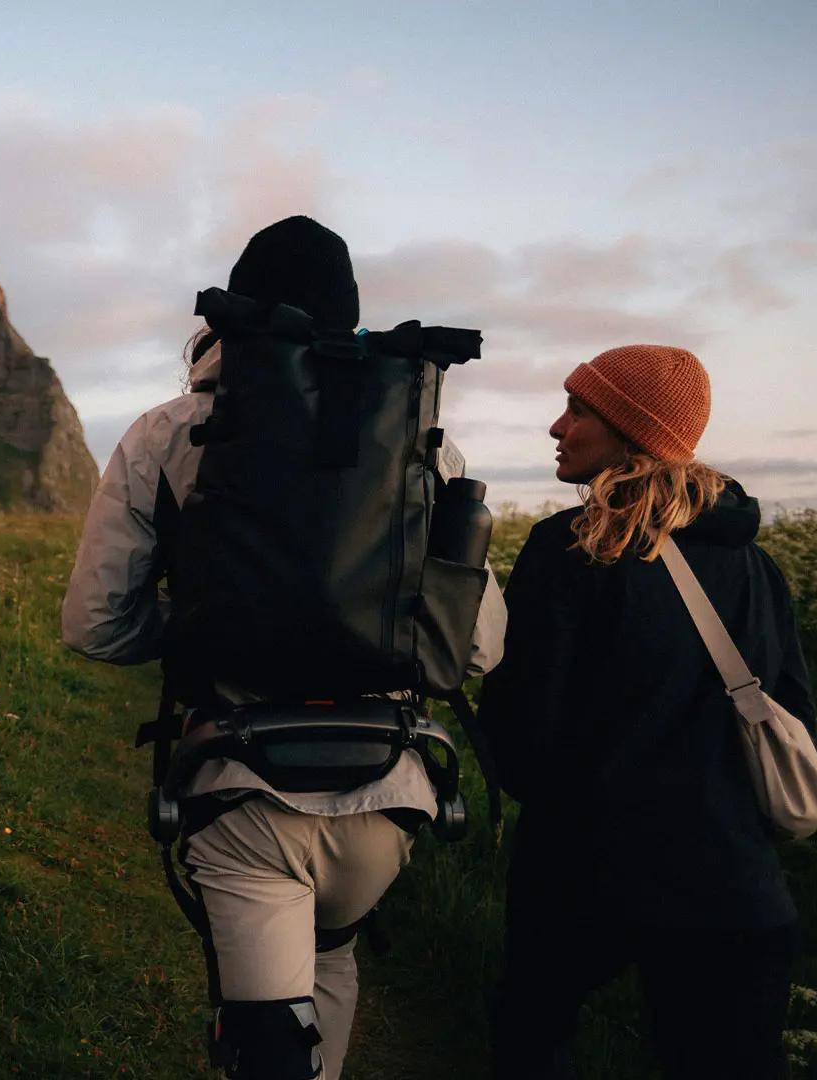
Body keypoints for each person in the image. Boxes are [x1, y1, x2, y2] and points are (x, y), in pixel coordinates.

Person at [62, 215, 506, 1079]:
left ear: (231, 317)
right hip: (395, 787)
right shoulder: (424, 441)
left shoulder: (166, 430)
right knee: (331, 956)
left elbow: (96, 624)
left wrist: (198, 631)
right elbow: (478, 646)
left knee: (263, 1048)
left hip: (247, 791)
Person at [481, 345, 813, 1078]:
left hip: (585, 877)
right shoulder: (757, 566)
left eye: (578, 410)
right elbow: (794, 716)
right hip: (735, 888)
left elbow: (522, 731)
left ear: (631, 432)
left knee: (532, 1041)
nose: (556, 427)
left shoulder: (570, 549)